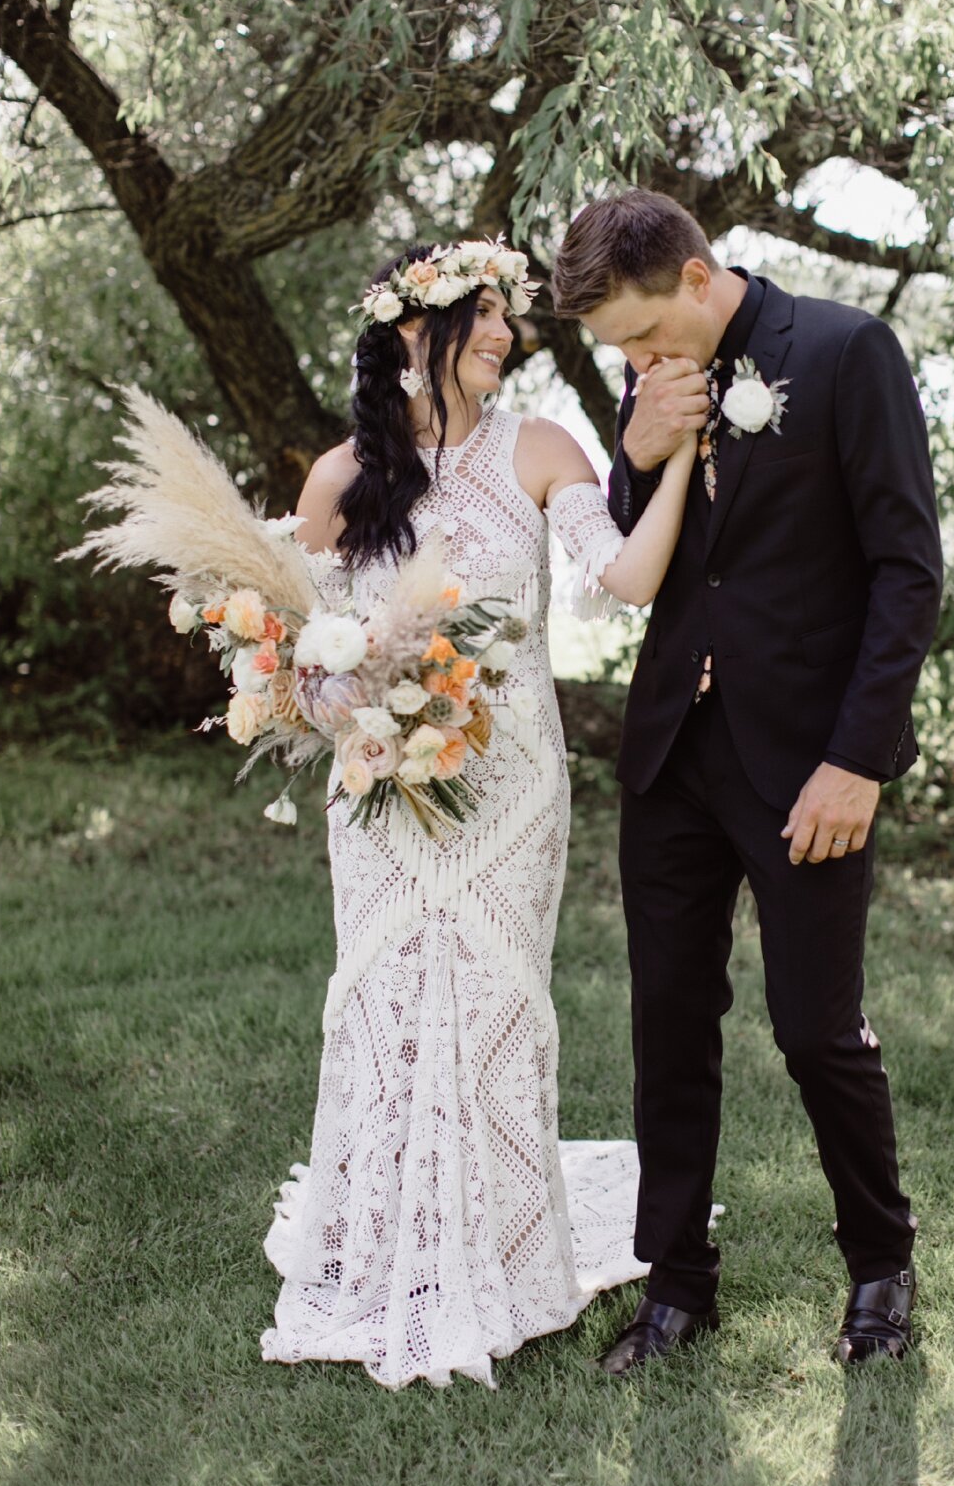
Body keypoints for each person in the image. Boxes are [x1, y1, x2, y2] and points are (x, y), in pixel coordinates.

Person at [278, 237, 694, 1388]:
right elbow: (292, 661)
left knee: (497, 1000)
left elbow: (623, 580)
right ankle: (384, 1251)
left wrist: (674, 457)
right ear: (415, 334)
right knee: (386, 997)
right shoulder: (338, 480)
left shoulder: (542, 447)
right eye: (488, 314)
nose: (510, 334)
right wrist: (344, 702)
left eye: (513, 316)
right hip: (378, 790)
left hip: (511, 788)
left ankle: (503, 1254)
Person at [550, 189, 943, 1374]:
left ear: (697, 276)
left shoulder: (841, 352)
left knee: (816, 1030)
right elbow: (638, 548)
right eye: (617, 350)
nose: (635, 359)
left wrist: (856, 762)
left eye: (640, 334)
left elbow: (906, 572)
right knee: (669, 1022)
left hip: (809, 759)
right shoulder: (650, 381)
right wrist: (637, 447)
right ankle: (675, 1287)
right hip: (675, 748)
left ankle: (881, 1265)